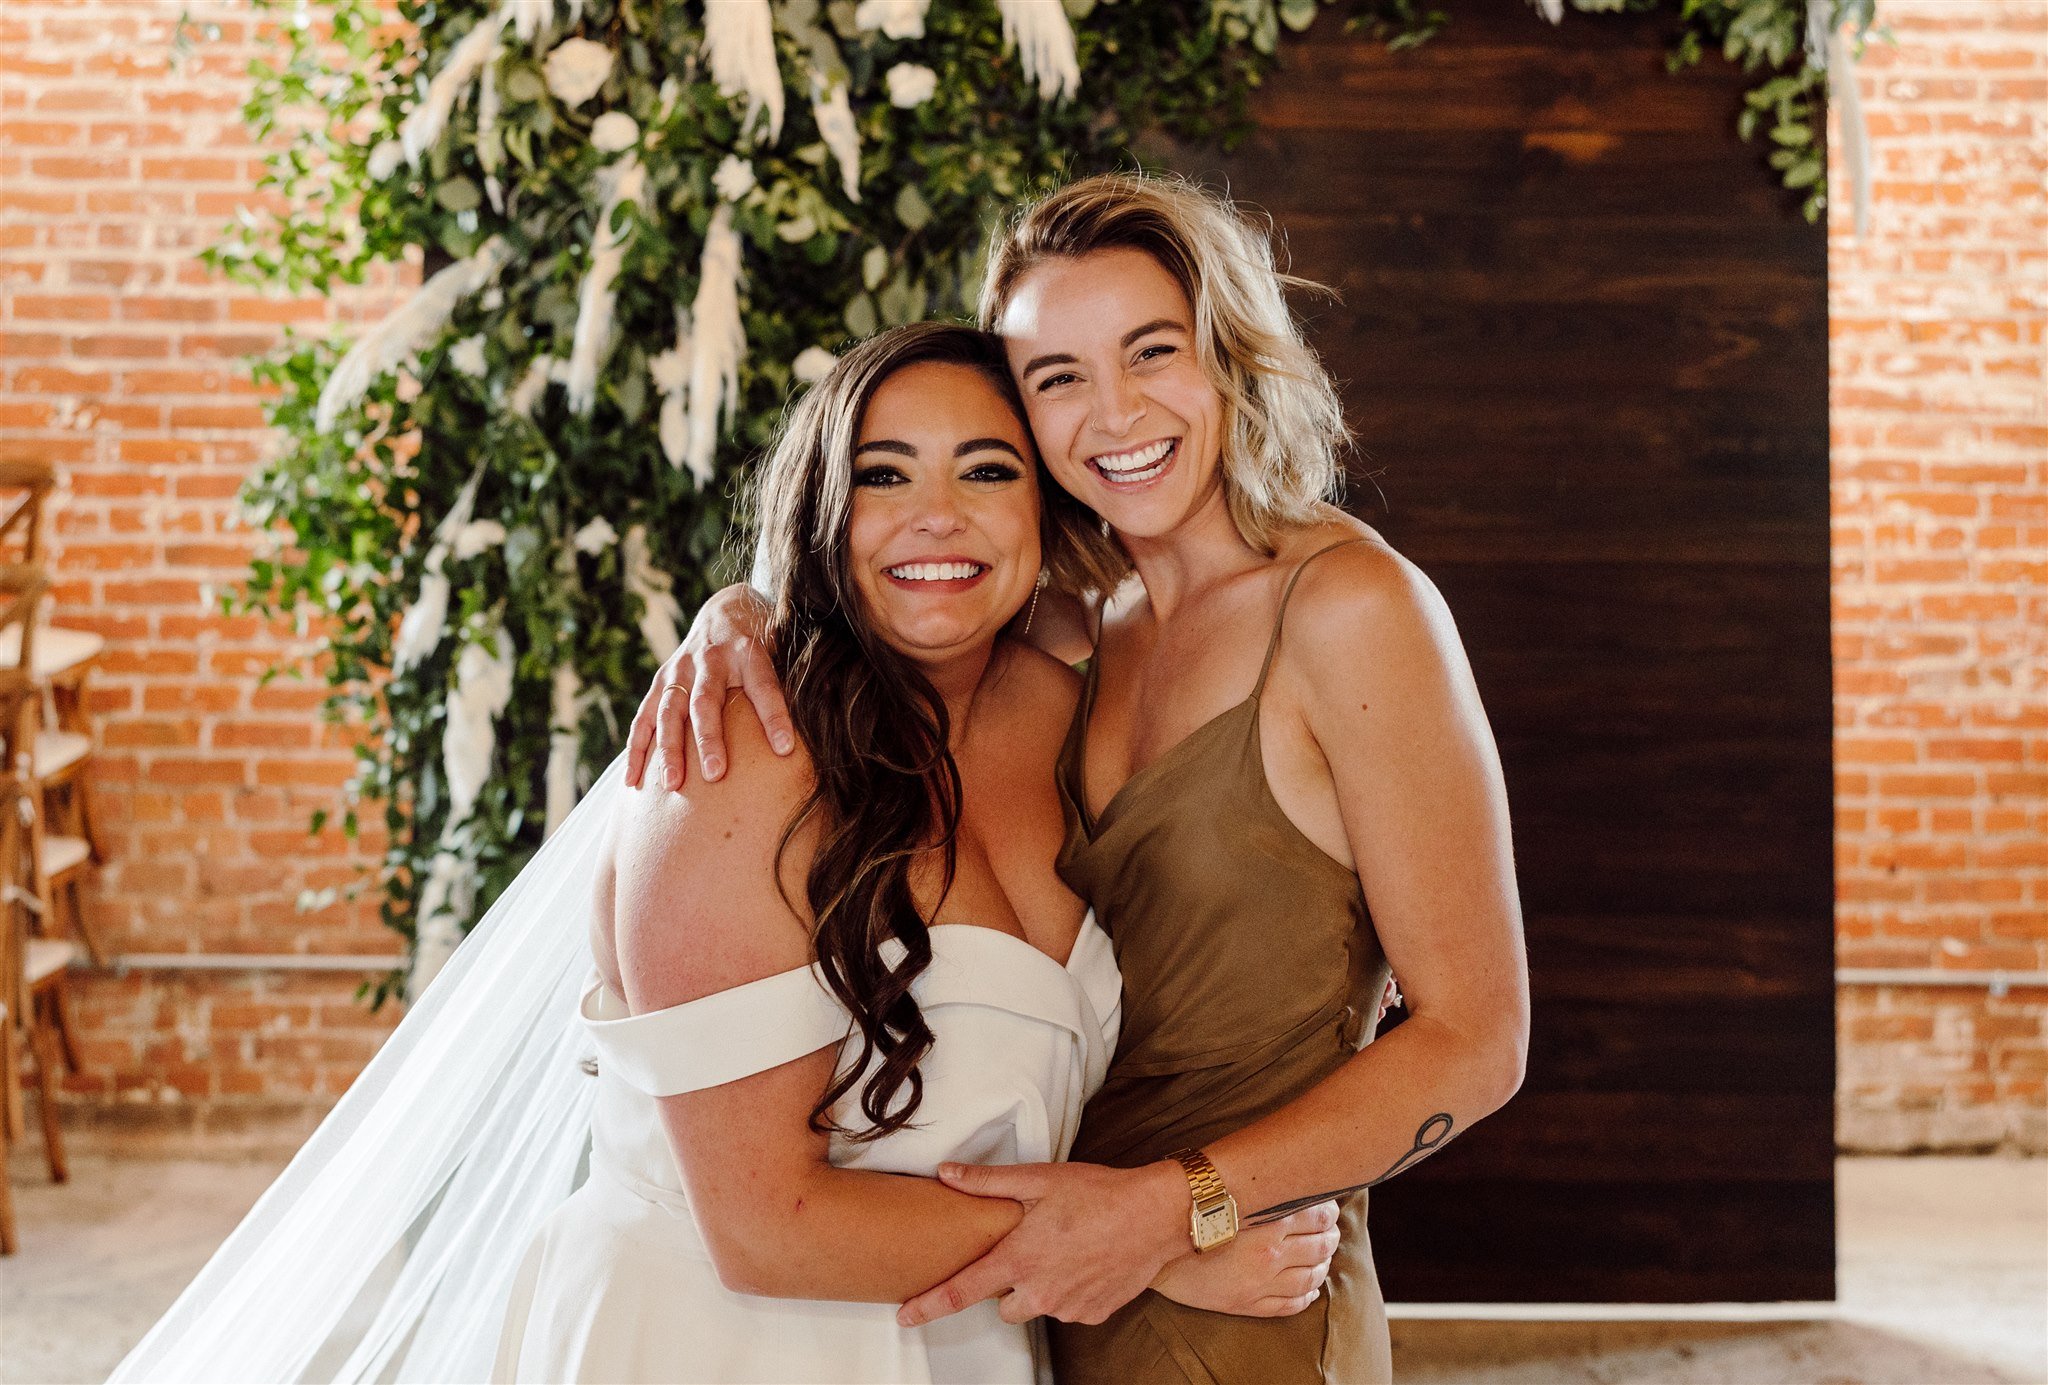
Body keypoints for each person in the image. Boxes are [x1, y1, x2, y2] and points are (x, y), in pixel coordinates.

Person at [109, 323, 1337, 1385]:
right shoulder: (734, 756)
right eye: (881, 474)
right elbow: (768, 1224)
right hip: (719, 1338)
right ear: (820, 505)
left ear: (1044, 506)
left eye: (986, 469)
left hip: (966, 1343)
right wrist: (1151, 1246)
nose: (936, 516)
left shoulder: (1079, 703)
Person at [627, 172, 1532, 1385]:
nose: (1113, 412)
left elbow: (1477, 1040)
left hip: (1235, 1271)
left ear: (1228, 354)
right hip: (1046, 1283)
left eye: (1150, 352)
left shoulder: (1351, 610)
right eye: (1058, 378)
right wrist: (738, 609)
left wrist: (1178, 1210)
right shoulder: (1080, 629)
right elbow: (893, 568)